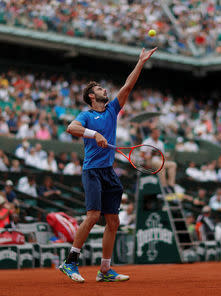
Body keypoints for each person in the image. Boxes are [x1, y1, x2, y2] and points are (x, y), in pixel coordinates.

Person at [60, 47, 157, 283]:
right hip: (92, 171)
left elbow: (127, 86)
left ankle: (105, 270)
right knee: (93, 216)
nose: (105, 90)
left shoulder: (113, 110)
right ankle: (70, 261)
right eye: (99, 89)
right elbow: (70, 128)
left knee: (113, 221)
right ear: (92, 96)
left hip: (108, 173)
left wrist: (140, 62)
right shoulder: (85, 115)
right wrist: (93, 134)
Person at [142, 128, 177, 192]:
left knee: (173, 164)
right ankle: (164, 186)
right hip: (149, 161)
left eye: (158, 133)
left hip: (158, 161)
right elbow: (142, 155)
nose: (157, 134)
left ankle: (171, 185)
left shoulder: (160, 143)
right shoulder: (147, 142)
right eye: (155, 133)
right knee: (161, 165)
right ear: (151, 134)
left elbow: (162, 155)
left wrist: (165, 156)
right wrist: (151, 155)